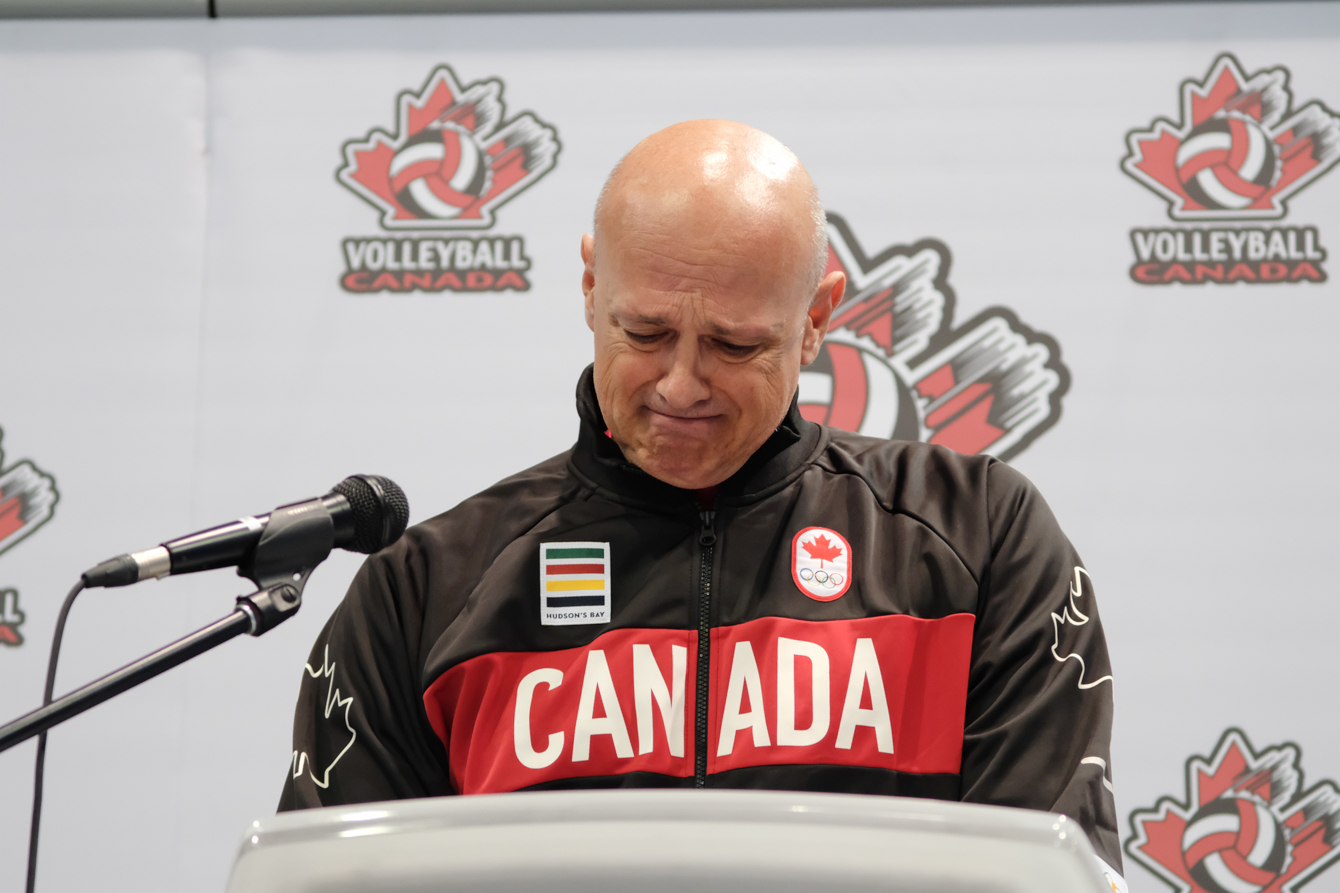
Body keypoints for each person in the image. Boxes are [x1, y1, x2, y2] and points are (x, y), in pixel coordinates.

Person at [281, 119, 1123, 886]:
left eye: (733, 342)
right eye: (644, 332)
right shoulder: (423, 590)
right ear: (588, 287)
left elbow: (1040, 871)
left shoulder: (982, 543)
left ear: (817, 318)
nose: (681, 384)